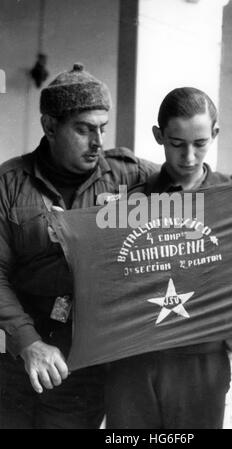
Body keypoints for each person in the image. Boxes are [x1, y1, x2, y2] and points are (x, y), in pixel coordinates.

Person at [104, 87, 232, 429]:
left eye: (200, 143)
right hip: (132, 361)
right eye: (177, 144)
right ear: (159, 136)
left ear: (216, 135)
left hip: (202, 365)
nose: (189, 157)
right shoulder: (129, 204)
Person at [0, 63, 158, 429]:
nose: (98, 142)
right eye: (84, 130)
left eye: (102, 128)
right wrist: (29, 344)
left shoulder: (128, 174)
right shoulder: (8, 184)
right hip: (14, 359)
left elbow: (196, 183)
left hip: (82, 366)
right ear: (50, 126)